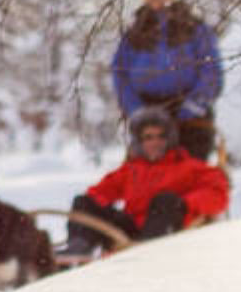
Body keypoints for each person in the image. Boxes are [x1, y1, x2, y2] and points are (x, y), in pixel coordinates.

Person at [63, 107, 229, 256]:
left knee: (165, 200)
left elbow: (217, 193)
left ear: (169, 139)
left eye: (160, 137)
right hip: (129, 229)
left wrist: (185, 204)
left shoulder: (188, 166)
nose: (154, 142)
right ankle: (78, 249)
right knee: (84, 202)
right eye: (148, 137)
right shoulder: (131, 169)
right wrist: (94, 209)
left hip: (167, 229)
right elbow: (99, 192)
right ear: (140, 142)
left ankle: (149, 250)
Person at [112, 0, 223, 162]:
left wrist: (196, 102)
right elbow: (119, 73)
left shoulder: (193, 28)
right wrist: (135, 109)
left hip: (189, 112)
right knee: (144, 172)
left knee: (190, 170)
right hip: (147, 110)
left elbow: (211, 69)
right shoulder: (134, 33)